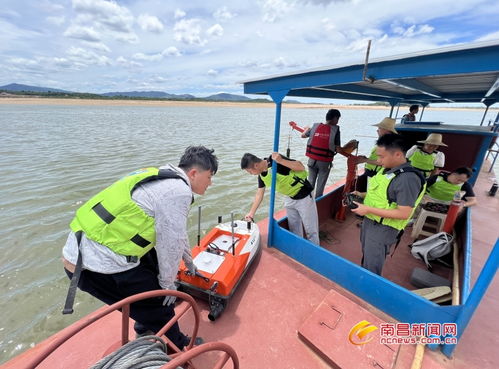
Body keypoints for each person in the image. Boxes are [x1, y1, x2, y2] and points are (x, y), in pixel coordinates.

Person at [62, 146, 218, 349]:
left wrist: (189, 263)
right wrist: (168, 287)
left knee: (153, 268)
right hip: (92, 264)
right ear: (194, 173)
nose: (211, 183)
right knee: (159, 301)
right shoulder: (178, 192)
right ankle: (178, 346)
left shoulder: (162, 176)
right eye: (210, 177)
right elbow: (170, 247)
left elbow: (176, 235)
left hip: (85, 248)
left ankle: (143, 328)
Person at [351, 134, 426, 275]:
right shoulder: (388, 170)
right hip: (370, 221)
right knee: (367, 256)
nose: (378, 160)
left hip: (383, 229)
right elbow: (384, 195)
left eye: (381, 157)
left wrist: (366, 209)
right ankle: (364, 278)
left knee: (373, 263)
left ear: (398, 154)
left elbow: (404, 213)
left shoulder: (407, 179)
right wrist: (362, 195)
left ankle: (367, 291)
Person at [241, 152, 319, 244]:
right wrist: (251, 213)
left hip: (305, 197)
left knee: (311, 229)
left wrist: (281, 160)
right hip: (290, 198)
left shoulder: (275, 160)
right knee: (294, 228)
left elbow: (301, 167)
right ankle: (298, 246)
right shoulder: (262, 175)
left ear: (256, 165)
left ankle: (315, 250)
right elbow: (259, 194)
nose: (251, 174)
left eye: (250, 171)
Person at [300, 109, 342, 198]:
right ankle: (317, 203)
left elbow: (303, 135)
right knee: (320, 185)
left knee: (310, 182)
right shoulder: (335, 130)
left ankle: (307, 201)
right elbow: (338, 149)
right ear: (335, 119)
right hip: (324, 162)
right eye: (338, 119)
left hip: (311, 161)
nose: (338, 122)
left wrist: (307, 129)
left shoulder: (315, 127)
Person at [356, 117, 398, 191]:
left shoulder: (388, 144)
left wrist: (365, 160)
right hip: (373, 173)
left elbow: (382, 162)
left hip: (376, 175)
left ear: (387, 131)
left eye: (379, 128)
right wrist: (366, 159)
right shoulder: (384, 142)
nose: (377, 130)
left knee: (372, 194)